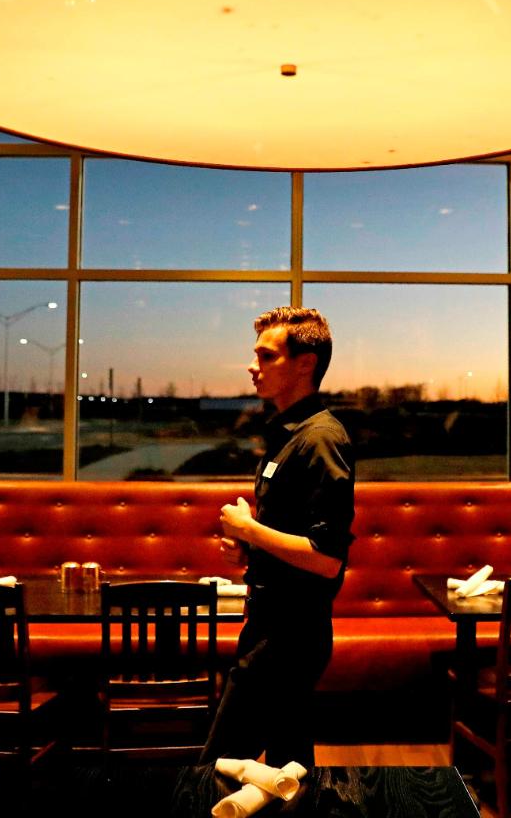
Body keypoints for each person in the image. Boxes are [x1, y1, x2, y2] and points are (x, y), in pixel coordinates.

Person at [200, 306, 355, 770]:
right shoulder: (288, 434)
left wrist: (250, 529)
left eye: (266, 357)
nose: (253, 366)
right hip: (271, 624)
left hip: (288, 636)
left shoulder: (322, 439)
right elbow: (290, 535)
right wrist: (247, 548)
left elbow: (328, 559)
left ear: (305, 364)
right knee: (291, 771)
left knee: (214, 773)